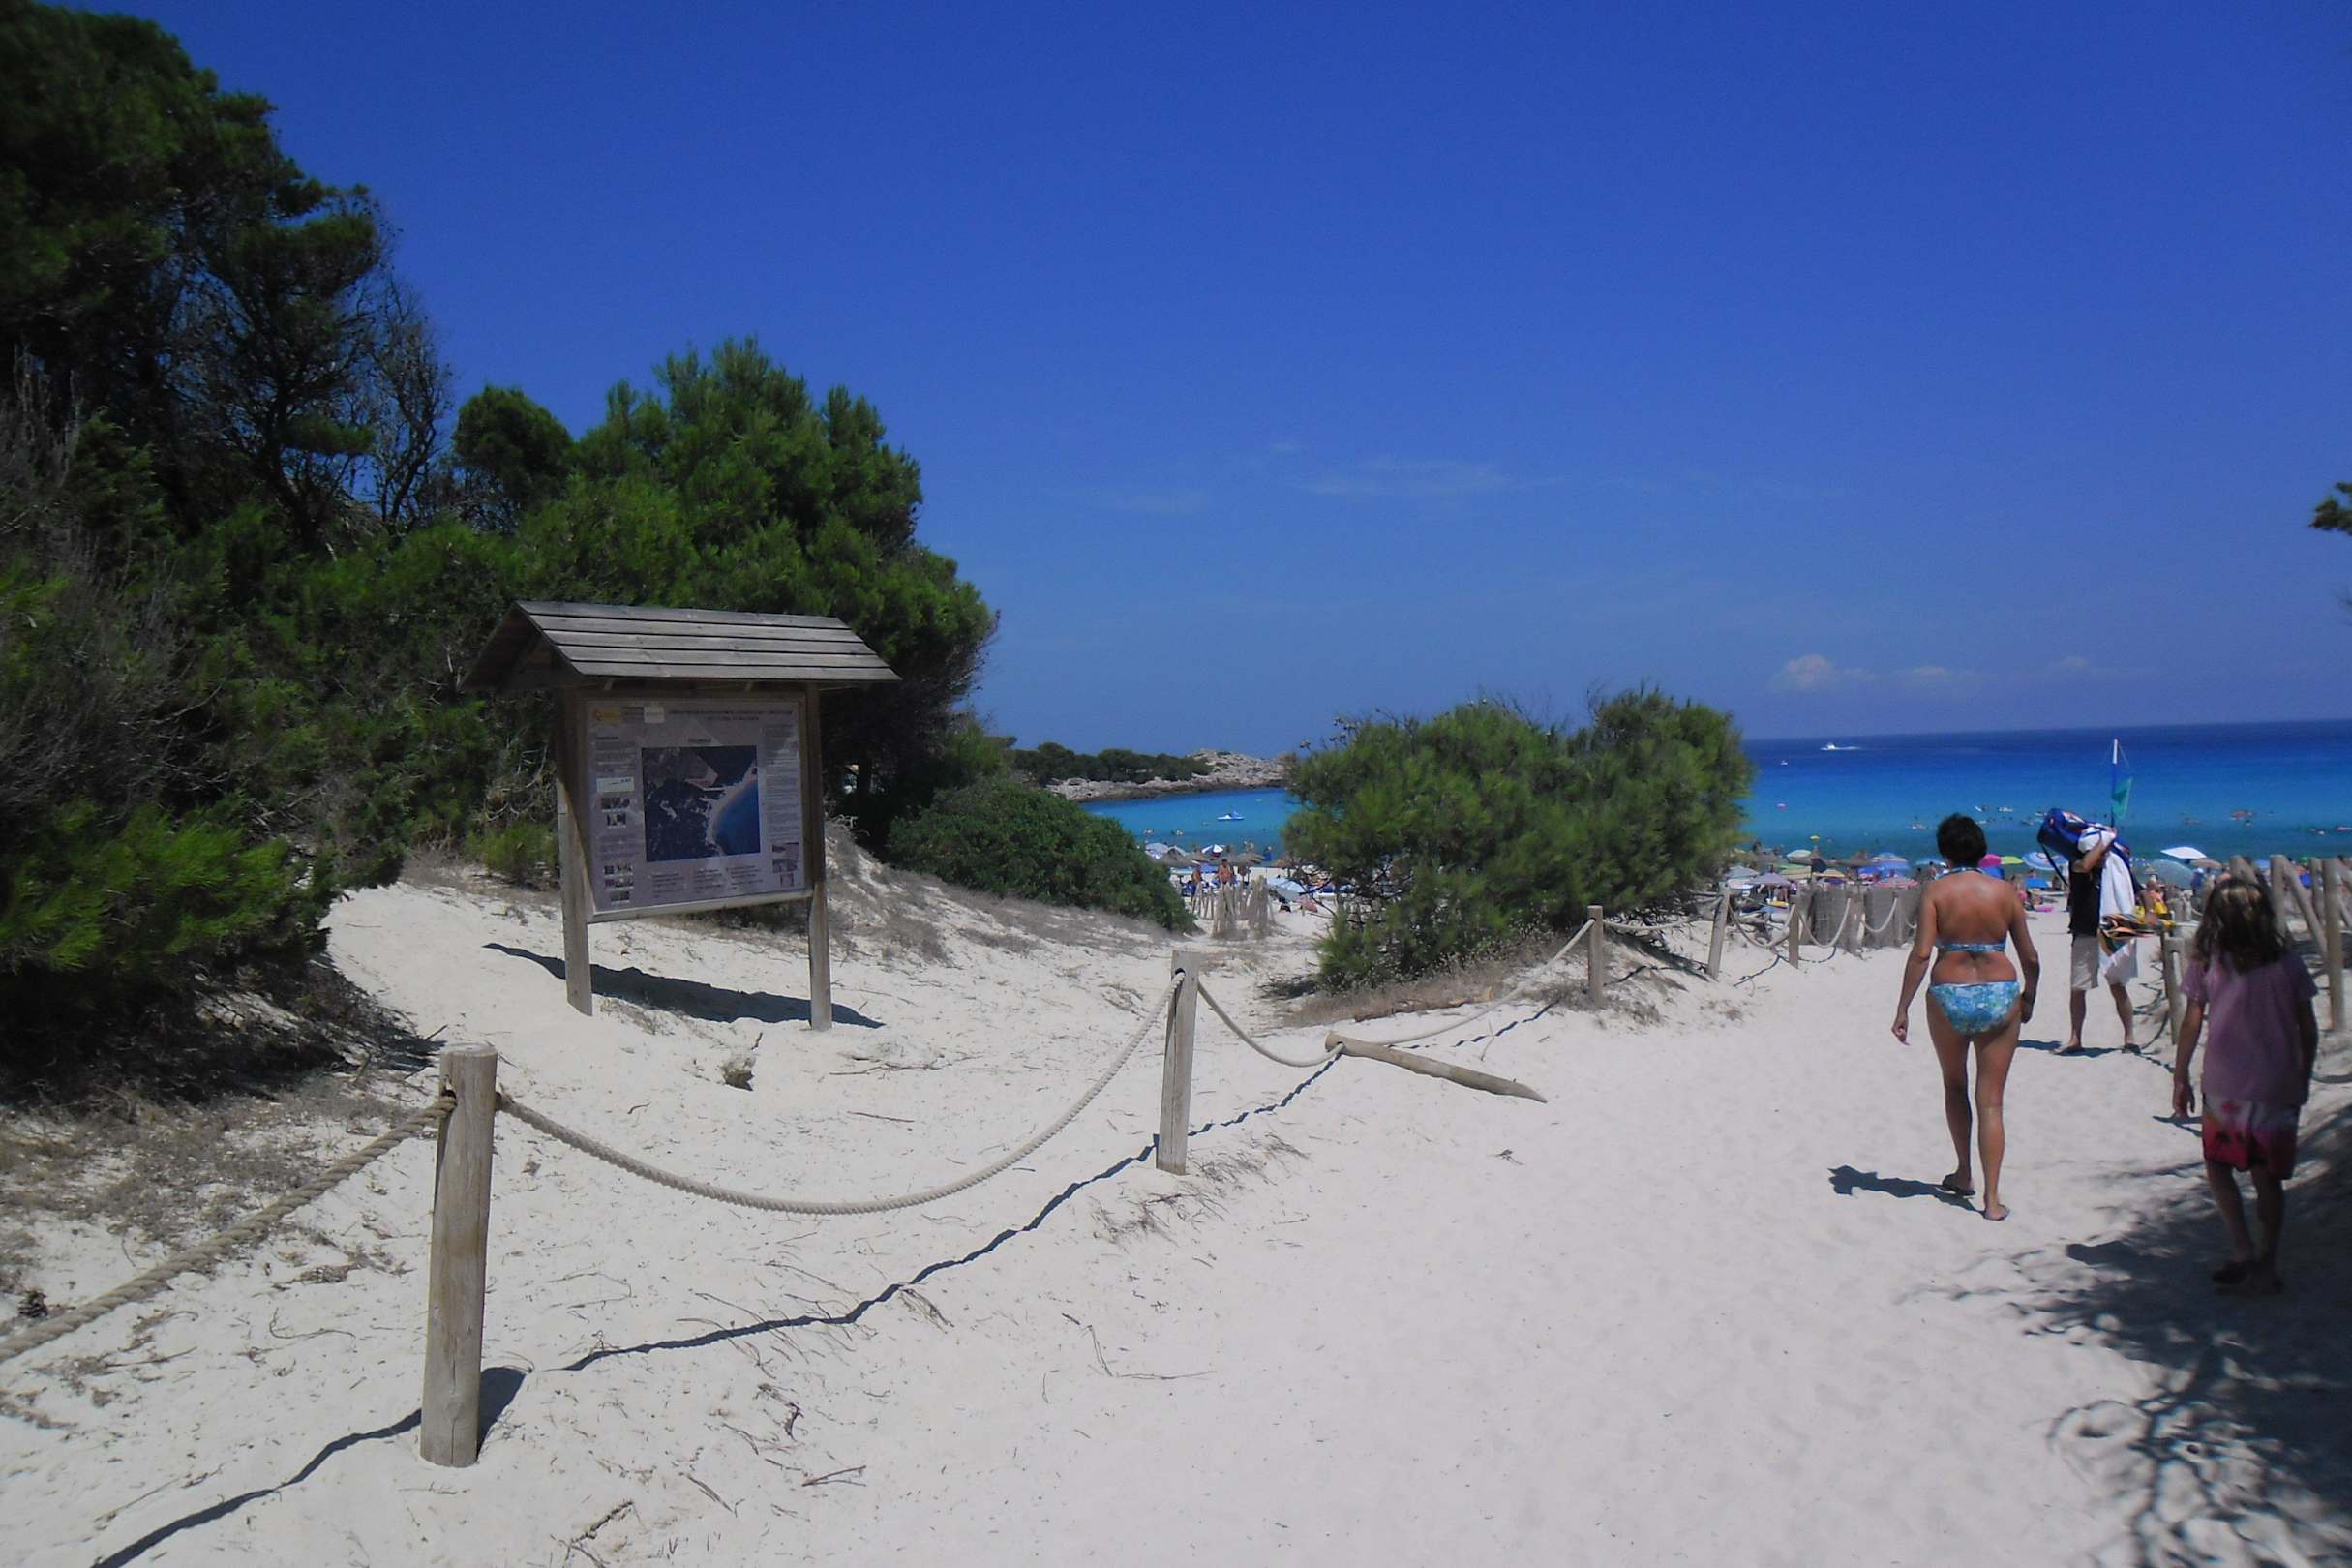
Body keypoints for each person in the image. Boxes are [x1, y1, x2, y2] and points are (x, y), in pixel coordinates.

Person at [2170, 877, 2318, 1295]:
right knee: (2267, 1176)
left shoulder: (2208, 961)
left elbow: (2191, 1021)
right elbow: (2307, 1028)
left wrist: (2180, 1075)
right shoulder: (2288, 962)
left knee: (2218, 1166)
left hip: (2226, 1084)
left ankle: (2242, 1249)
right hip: (2277, 1083)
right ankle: (2266, 1263)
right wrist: (2303, 1075)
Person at [1892, 815, 2041, 1221]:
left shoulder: (1935, 891)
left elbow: (1921, 954)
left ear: (1944, 852)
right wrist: (2029, 996)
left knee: (1955, 1085)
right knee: (1991, 1101)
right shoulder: (2005, 892)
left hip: (1949, 993)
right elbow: (2030, 957)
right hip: (2000, 992)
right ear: (1981, 850)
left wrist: (1903, 1007)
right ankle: (1992, 1200)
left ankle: (1963, 1172)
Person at [2063, 831, 2135, 1053]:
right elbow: (2085, 865)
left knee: (2118, 986)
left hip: (2113, 929)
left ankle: (2130, 1038)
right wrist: (2104, 840)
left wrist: (2150, 913)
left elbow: (2140, 892)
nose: (2102, 857)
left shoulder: (2116, 870)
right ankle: (2075, 1038)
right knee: (2078, 988)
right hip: (2085, 932)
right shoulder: (2076, 865)